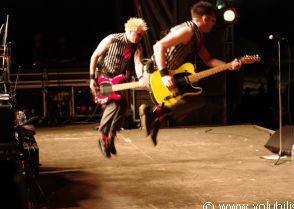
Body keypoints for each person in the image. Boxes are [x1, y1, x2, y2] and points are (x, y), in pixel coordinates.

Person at [140, 1, 242, 145]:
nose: (213, 24)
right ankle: (155, 114)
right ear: (205, 18)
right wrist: (164, 75)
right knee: (192, 101)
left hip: (170, 73)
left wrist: (229, 66)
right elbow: (158, 46)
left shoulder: (197, 36)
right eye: (212, 21)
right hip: (156, 73)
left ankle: (157, 119)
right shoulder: (188, 30)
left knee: (196, 100)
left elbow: (209, 60)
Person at [89, 17, 148, 158]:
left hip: (117, 79)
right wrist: (92, 79)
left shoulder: (137, 46)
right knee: (114, 105)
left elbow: (138, 64)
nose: (140, 37)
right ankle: (103, 138)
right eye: (139, 34)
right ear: (129, 31)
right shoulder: (112, 39)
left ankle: (111, 137)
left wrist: (141, 78)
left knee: (123, 106)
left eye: (142, 35)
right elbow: (94, 56)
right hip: (104, 76)